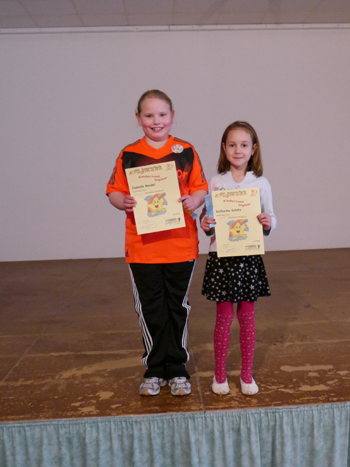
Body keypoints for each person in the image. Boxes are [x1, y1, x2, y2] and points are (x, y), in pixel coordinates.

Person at [106, 90, 207, 397]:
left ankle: (176, 368)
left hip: (181, 246)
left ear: (172, 116)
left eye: (162, 114)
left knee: (177, 307)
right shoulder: (128, 154)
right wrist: (122, 201)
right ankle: (154, 368)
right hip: (142, 248)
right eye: (149, 115)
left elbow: (200, 189)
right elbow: (113, 192)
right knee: (150, 308)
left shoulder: (186, 151)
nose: (156, 121)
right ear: (138, 119)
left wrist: (194, 201)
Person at [200, 121, 277, 396]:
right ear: (224, 148)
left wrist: (268, 222)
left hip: (249, 257)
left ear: (253, 149)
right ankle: (219, 375)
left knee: (247, 317)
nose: (238, 150)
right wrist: (205, 224)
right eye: (232, 144)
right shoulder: (216, 181)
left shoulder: (261, 183)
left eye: (244, 145)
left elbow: (271, 216)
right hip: (222, 256)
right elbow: (207, 218)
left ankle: (246, 374)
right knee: (223, 318)